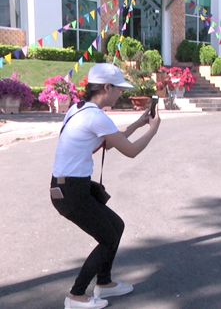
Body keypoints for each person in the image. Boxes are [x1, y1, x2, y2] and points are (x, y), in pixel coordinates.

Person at [50, 63, 161, 309]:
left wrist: (139, 123)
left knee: (116, 226)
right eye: (118, 88)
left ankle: (105, 282)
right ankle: (76, 295)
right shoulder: (94, 116)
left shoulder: (79, 109)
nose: (120, 93)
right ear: (106, 87)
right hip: (71, 191)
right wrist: (152, 130)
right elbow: (129, 151)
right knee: (107, 237)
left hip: (68, 188)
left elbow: (110, 142)